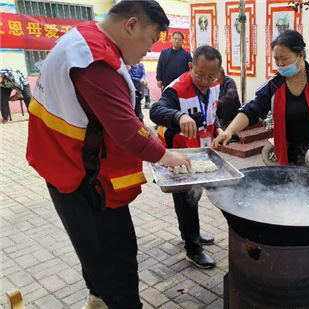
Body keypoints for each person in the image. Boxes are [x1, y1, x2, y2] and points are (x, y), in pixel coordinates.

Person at [25, 2, 191, 308]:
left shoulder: (85, 36)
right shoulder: (95, 59)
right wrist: (166, 156)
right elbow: (126, 131)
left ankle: (97, 298)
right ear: (131, 25)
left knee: (93, 249)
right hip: (82, 178)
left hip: (65, 163)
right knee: (117, 258)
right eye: (151, 39)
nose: (149, 51)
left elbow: (112, 114)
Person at [213, 30, 309, 173]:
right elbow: (252, 109)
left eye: (284, 58)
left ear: (301, 55)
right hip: (291, 155)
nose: (280, 64)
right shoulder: (274, 85)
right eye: (276, 59)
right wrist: (229, 131)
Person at [150, 45, 224, 269]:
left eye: (211, 76)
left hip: (200, 152)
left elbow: (211, 111)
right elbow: (156, 110)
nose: (205, 80)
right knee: (187, 201)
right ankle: (193, 248)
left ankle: (191, 234)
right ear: (191, 66)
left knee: (192, 200)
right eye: (200, 74)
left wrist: (218, 128)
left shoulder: (215, 86)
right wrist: (178, 115)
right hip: (179, 155)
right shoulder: (177, 89)